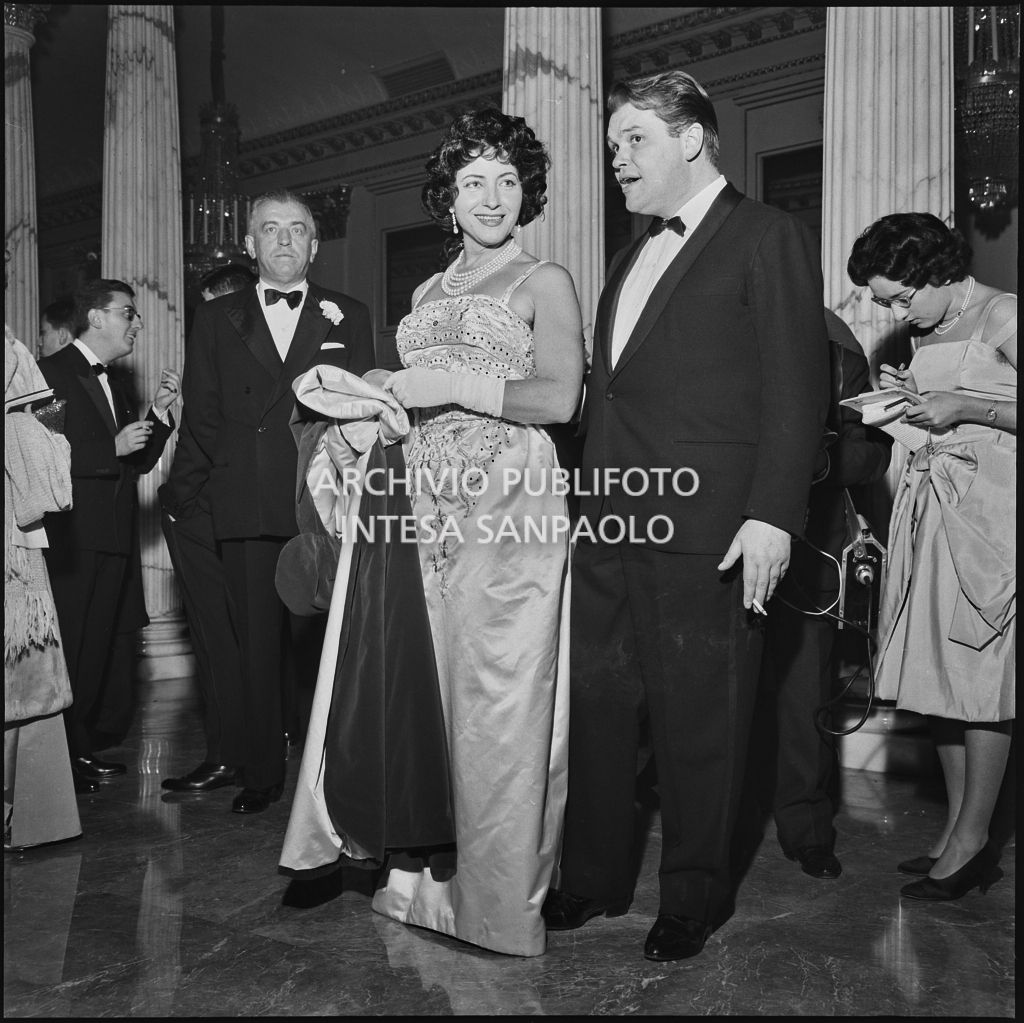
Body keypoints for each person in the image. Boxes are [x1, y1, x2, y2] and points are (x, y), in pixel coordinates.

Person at [542, 70, 828, 962]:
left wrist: (772, 516)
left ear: (693, 139)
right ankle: (593, 875)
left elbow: (797, 388)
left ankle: (694, 894)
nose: (618, 160)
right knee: (599, 705)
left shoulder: (767, 235)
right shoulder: (626, 259)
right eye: (613, 144)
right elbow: (611, 396)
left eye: (635, 140)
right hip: (610, 521)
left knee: (703, 718)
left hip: (710, 530)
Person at [367, 108, 585, 956]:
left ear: (527, 192)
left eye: (507, 180)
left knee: (504, 696)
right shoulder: (425, 293)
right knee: (433, 692)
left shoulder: (544, 279)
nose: (492, 198)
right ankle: (426, 888)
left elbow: (560, 398)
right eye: (473, 183)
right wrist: (381, 401)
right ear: (447, 199)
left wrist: (452, 383)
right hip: (425, 506)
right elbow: (418, 402)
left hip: (510, 499)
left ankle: (497, 906)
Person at [165, 190, 375, 814]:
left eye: (297, 229)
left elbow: (361, 413)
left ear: (315, 244)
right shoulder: (216, 317)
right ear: (250, 244)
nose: (284, 239)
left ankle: (338, 767)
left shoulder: (349, 313)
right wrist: (184, 495)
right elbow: (202, 415)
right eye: (270, 229)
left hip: (322, 503)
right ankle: (261, 772)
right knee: (255, 645)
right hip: (246, 501)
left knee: (327, 644)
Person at [847, 212, 1015, 901]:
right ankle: (955, 831)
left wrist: (965, 407)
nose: (895, 313)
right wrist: (911, 401)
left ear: (936, 271)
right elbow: (940, 412)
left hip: (991, 515)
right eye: (883, 301)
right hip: (935, 506)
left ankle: (975, 841)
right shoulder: (926, 329)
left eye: (899, 298)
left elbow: (981, 410)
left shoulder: (1002, 314)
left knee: (980, 674)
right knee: (938, 675)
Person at [750, 309, 892, 880]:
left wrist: (818, 461)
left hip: (812, 545)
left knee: (804, 686)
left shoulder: (836, 341)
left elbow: (872, 452)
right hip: (715, 540)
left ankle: (807, 829)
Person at [38, 280, 179, 788]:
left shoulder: (114, 383)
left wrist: (158, 413)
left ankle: (80, 750)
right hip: (73, 541)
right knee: (73, 650)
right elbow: (42, 455)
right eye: (128, 313)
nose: (137, 323)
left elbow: (136, 461)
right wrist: (109, 449)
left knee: (96, 651)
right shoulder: (49, 374)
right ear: (95, 317)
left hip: (114, 539)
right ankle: (58, 764)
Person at [158, 266, 253, 795]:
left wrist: (176, 498)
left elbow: (203, 432)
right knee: (253, 636)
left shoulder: (214, 348)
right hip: (255, 509)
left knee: (215, 637)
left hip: (203, 510)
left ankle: (225, 756)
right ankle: (263, 743)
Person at [5, 323, 83, 849]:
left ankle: (26, 814)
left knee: (22, 675)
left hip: (11, 538)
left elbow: (43, 437)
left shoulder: (12, 352)